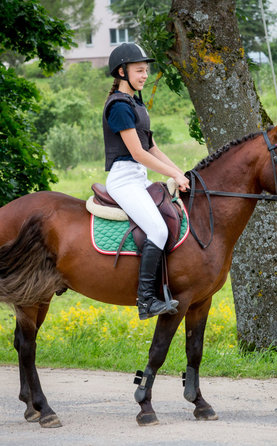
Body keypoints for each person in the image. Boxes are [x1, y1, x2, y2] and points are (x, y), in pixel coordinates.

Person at [103, 43, 190, 320]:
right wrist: (172, 174)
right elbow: (137, 153)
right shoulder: (118, 106)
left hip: (139, 177)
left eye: (146, 70)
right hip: (124, 179)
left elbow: (152, 148)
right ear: (122, 71)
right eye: (139, 70)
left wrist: (180, 173)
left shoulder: (136, 103)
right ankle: (146, 301)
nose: (145, 75)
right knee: (158, 229)